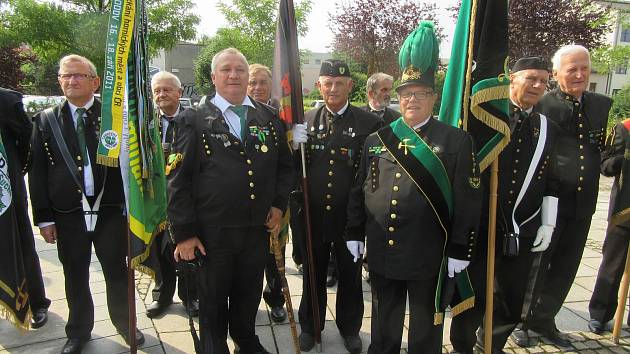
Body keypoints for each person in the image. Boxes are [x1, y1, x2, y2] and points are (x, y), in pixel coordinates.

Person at [345, 22, 480, 353]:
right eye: (406, 94)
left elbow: (468, 200)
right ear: (398, 97)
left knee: (424, 328)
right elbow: (360, 188)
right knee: (384, 323)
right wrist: (353, 230)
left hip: (428, 253)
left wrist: (461, 248)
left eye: (420, 94)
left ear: (433, 97)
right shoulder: (378, 139)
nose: (412, 100)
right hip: (382, 250)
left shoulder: (457, 141)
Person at [167, 48, 295, 354]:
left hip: (255, 230)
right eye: (226, 69)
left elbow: (284, 168)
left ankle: (245, 339)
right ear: (214, 77)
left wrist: (278, 205)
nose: (234, 75)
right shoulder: (193, 119)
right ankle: (213, 347)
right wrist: (184, 234)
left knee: (248, 295)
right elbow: (177, 180)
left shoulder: (268, 117)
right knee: (212, 301)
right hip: (212, 233)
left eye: (240, 69)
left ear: (248, 76)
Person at [28, 54, 144, 354]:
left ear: (94, 81)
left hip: (109, 211)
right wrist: (44, 218)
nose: (71, 81)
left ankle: (124, 324)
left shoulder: (112, 119)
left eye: (78, 75)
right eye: (66, 76)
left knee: (117, 273)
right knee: (74, 273)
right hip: (68, 214)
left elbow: (132, 165)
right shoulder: (46, 120)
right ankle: (78, 331)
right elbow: (38, 172)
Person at [453, 57, 560, 353]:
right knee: (473, 293)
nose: (538, 85)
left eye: (543, 80)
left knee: (511, 298)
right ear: (511, 79)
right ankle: (462, 345)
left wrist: (548, 222)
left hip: (522, 225)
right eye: (531, 78)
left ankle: (492, 345)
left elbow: (551, 178)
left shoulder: (548, 127)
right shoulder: (486, 118)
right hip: (484, 222)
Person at [514, 45, 613, 348]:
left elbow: (601, 149)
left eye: (584, 68)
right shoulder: (544, 104)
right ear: (556, 74)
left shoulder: (600, 105)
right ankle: (521, 320)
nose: (580, 74)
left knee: (567, 267)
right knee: (537, 264)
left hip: (583, 202)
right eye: (572, 69)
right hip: (549, 201)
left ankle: (545, 320)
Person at [290, 59, 382, 353]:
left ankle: (349, 328)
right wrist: (292, 146)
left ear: (350, 86)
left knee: (351, 277)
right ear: (319, 85)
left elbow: (373, 173)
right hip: (313, 217)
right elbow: (292, 172)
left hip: (349, 218)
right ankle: (310, 326)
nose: (332, 89)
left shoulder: (369, 124)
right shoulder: (304, 120)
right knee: (312, 275)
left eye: (339, 83)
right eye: (327, 83)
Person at [145, 71, 199, 318]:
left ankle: (191, 297)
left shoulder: (194, 121)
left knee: (185, 251)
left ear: (179, 93)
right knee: (160, 254)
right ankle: (162, 296)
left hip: (186, 199)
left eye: (167, 90)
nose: (161, 95)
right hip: (156, 201)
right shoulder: (146, 125)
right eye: (157, 91)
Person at [0, 88, 51, 329]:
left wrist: (14, 173)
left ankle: (36, 302)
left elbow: (27, 143)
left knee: (20, 245)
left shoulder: (6, 100)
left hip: (6, 191)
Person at [246, 63, 289, 323]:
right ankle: (247, 305)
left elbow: (287, 165)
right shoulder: (235, 113)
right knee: (249, 260)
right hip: (245, 203)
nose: (258, 87)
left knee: (275, 257)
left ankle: (275, 299)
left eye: (263, 82)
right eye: (253, 83)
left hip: (274, 200)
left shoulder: (283, 115)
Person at [587, 119, 630, 334]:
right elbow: (605, 165)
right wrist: (623, 160)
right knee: (613, 265)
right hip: (624, 210)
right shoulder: (624, 128)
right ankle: (600, 314)